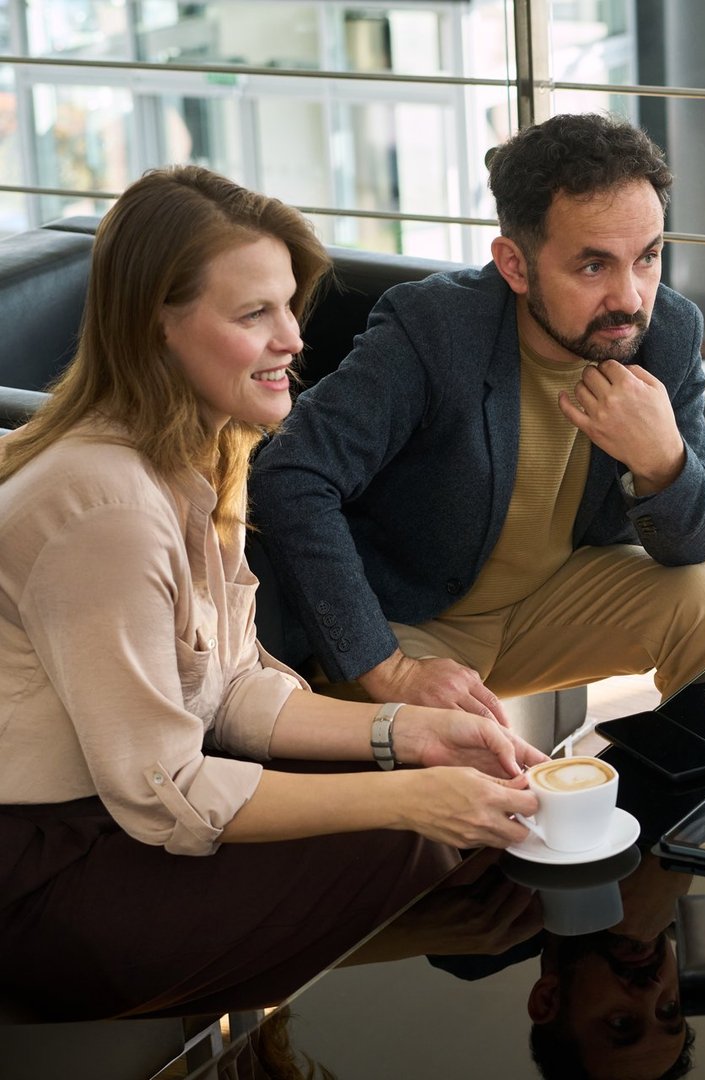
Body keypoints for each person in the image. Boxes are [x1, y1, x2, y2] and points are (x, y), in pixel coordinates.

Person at [0, 165, 547, 1021]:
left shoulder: (203, 451)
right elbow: (166, 792)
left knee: (436, 821)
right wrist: (407, 790)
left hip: (104, 813)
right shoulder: (102, 507)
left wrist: (408, 734)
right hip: (41, 875)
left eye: (289, 304)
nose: (294, 337)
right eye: (253, 313)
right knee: (416, 836)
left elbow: (231, 686)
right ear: (156, 329)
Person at [249, 112, 705, 745]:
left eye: (648, 257)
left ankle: (692, 813)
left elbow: (693, 543)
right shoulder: (433, 331)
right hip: (412, 616)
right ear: (514, 266)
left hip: (552, 600)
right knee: (473, 771)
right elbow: (289, 475)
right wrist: (390, 668)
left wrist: (663, 462)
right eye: (593, 267)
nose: (630, 298)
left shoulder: (667, 332)